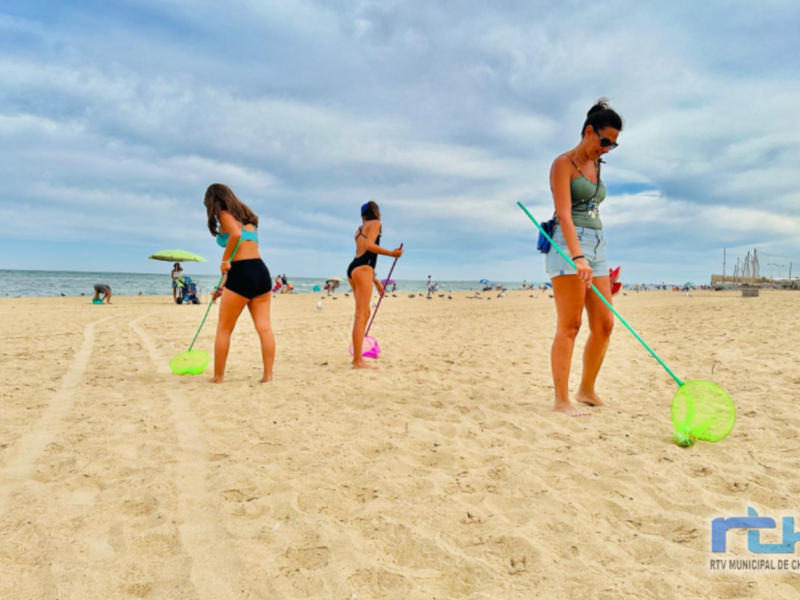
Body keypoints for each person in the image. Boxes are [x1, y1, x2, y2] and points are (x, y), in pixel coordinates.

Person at [546, 99, 622, 417]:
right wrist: (577, 257)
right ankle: (561, 400)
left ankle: (586, 390)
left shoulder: (597, 164)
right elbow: (564, 213)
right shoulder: (563, 163)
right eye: (604, 141)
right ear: (589, 131)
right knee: (571, 324)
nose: (606, 149)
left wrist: (592, 256)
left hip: (597, 245)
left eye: (613, 145)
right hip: (567, 243)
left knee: (604, 324)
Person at [205, 183, 275, 384]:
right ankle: (267, 376)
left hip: (242, 272)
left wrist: (223, 261)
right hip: (260, 272)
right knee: (265, 328)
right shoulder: (249, 219)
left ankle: (218, 377)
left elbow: (235, 237)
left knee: (224, 329)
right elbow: (244, 250)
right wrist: (222, 285)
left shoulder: (223, 214)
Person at [347, 201, 402, 369]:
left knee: (365, 312)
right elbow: (370, 247)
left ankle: (359, 352)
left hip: (353, 269)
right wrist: (392, 254)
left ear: (362, 215)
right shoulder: (376, 224)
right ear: (376, 212)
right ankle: (357, 361)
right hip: (363, 270)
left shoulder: (358, 230)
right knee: (360, 315)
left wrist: (376, 281)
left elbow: (363, 253)